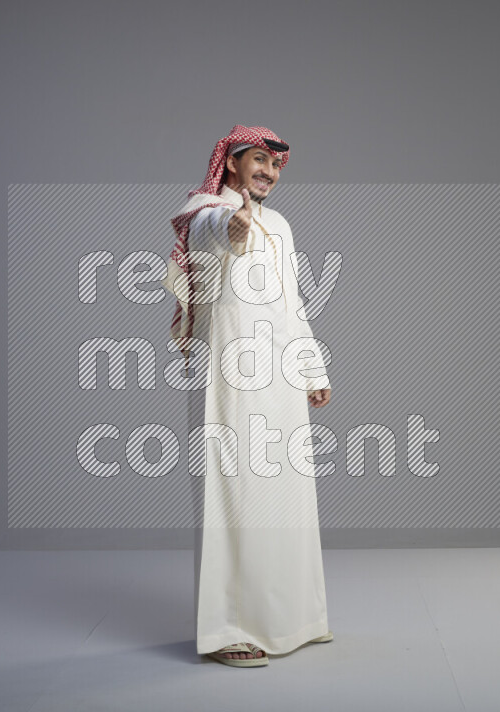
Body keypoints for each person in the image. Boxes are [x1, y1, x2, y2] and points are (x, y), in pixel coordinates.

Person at [164, 125, 333, 667]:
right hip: (230, 375)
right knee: (236, 496)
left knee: (286, 496)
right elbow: (216, 231)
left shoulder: (281, 225)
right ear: (232, 162)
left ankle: (292, 619)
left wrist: (311, 367)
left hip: (281, 376)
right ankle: (229, 630)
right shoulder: (204, 211)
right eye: (259, 160)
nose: (269, 172)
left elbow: (291, 302)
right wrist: (231, 223)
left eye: (276, 165)